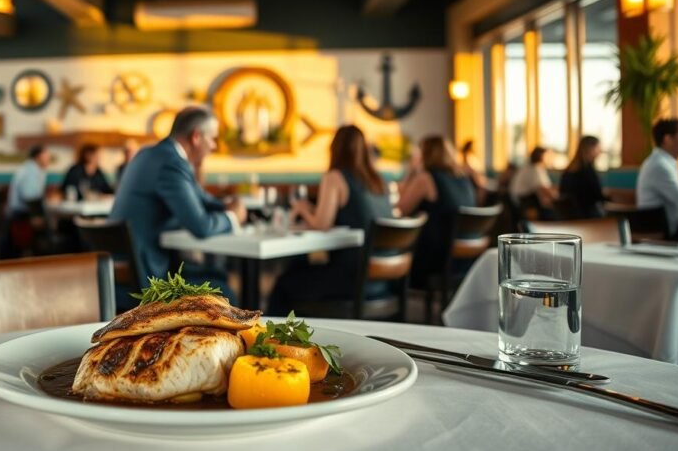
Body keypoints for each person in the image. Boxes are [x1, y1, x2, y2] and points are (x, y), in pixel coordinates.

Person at [110, 107, 246, 305]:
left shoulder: (150, 154)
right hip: (148, 278)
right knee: (222, 290)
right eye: (212, 138)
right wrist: (232, 217)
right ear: (197, 137)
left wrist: (226, 206)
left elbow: (200, 199)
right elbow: (200, 226)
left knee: (216, 275)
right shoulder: (171, 163)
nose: (214, 146)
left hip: (125, 272)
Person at [267, 125, 393, 315]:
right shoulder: (378, 180)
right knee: (299, 269)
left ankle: (270, 341)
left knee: (285, 283)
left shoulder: (335, 177)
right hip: (383, 280)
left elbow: (321, 224)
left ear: (335, 148)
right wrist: (312, 210)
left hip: (352, 281)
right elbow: (345, 214)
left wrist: (302, 208)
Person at [397, 135, 476, 288]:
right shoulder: (463, 178)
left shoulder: (426, 178)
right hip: (466, 259)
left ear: (425, 154)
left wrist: (411, 171)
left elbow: (401, 209)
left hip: (436, 258)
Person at [637, 118, 678, 238]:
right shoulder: (660, 166)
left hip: (669, 226)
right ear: (667, 139)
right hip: (664, 234)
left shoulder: (662, 162)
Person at [559, 136, 607, 219]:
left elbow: (562, 192)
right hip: (588, 217)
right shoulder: (588, 171)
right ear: (591, 149)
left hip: (570, 217)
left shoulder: (568, 170)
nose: (601, 151)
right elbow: (597, 195)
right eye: (598, 147)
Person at [509, 146, 557, 212]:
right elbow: (544, 189)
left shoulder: (527, 167)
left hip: (519, 202)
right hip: (527, 204)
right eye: (548, 156)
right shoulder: (535, 169)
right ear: (541, 156)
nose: (551, 158)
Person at [7, 144, 50, 217]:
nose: (48, 159)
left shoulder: (32, 168)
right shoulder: (31, 171)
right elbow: (29, 197)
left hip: (23, 211)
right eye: (46, 157)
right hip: (22, 214)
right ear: (38, 157)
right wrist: (37, 216)